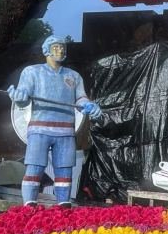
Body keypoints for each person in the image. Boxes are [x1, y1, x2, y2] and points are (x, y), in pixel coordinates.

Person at [7, 36, 101, 207]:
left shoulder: (74, 76)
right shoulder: (31, 72)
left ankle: (63, 205)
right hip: (39, 129)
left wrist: (88, 105)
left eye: (63, 47)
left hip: (66, 131)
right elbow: (23, 96)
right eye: (56, 47)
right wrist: (19, 97)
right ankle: (29, 205)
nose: (60, 50)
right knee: (35, 166)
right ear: (46, 50)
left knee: (64, 169)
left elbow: (81, 99)